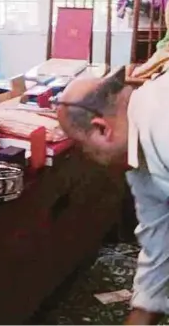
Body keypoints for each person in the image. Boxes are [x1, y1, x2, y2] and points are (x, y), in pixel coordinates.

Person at [55, 69, 169, 325]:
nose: (87, 155)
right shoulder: (139, 158)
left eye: (82, 145)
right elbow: (159, 243)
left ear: (101, 129)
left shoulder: (163, 123)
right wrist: (142, 312)